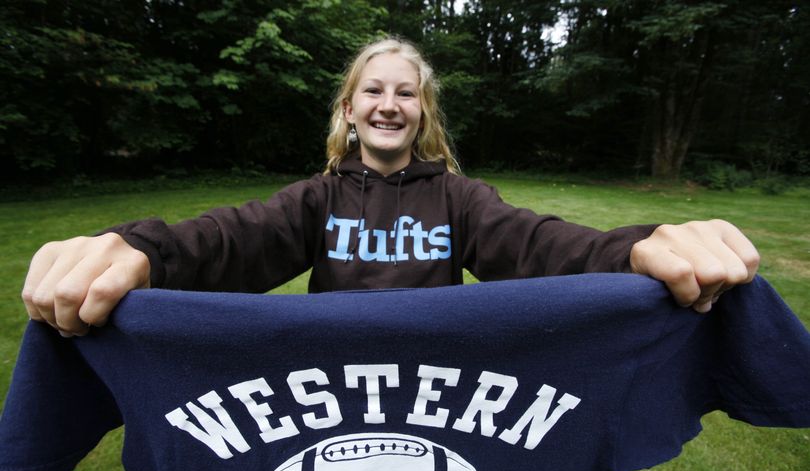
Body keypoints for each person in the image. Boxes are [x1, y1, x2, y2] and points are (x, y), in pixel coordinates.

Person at [21, 37, 760, 338]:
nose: (388, 103)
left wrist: (639, 247)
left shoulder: (460, 199)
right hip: (327, 395)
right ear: (350, 108)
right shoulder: (317, 198)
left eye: (405, 93)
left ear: (422, 112)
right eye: (373, 90)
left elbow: (542, 246)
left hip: (438, 393)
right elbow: (229, 240)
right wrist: (141, 251)